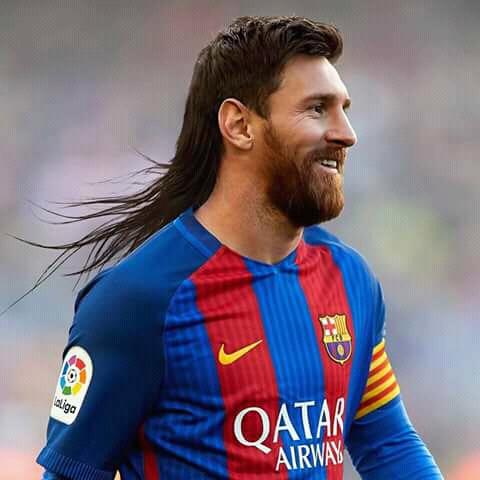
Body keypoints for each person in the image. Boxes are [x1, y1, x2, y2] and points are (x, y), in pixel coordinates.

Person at [36, 15, 443, 479]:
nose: (346, 132)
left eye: (344, 109)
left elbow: (390, 446)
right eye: (317, 109)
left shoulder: (351, 281)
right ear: (239, 125)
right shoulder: (138, 302)